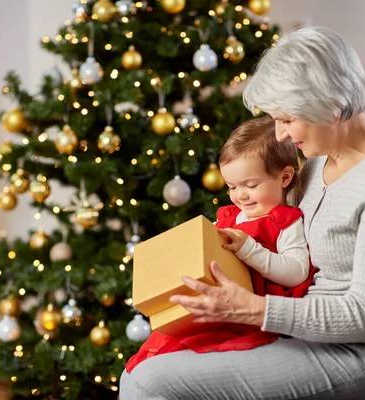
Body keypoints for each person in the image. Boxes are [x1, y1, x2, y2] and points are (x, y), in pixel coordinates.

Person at [119, 26, 365, 400]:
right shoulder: (317, 167)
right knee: (143, 367)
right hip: (303, 334)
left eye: (287, 119)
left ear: (331, 105)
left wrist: (254, 310)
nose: (281, 134)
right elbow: (272, 231)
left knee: (148, 384)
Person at [125, 117, 315, 373]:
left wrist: (249, 248)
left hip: (248, 317)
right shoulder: (229, 218)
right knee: (154, 354)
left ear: (284, 177)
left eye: (251, 185)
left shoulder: (285, 222)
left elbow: (296, 272)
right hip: (215, 308)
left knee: (172, 367)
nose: (240, 195)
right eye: (231, 187)